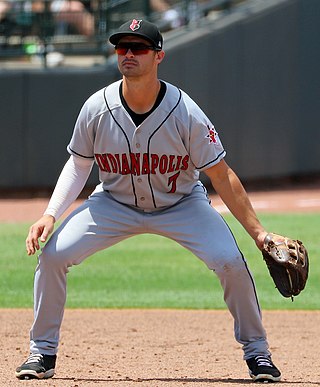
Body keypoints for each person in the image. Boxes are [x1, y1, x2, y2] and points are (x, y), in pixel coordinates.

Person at [15, 19, 281, 383]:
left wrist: (259, 234)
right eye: (122, 47)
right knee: (54, 255)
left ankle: (258, 354)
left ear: (159, 56)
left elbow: (222, 175)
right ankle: (42, 352)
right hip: (113, 203)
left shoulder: (185, 112)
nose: (128, 53)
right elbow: (78, 165)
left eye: (138, 48)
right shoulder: (96, 107)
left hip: (182, 204)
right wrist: (50, 214)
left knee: (230, 262)